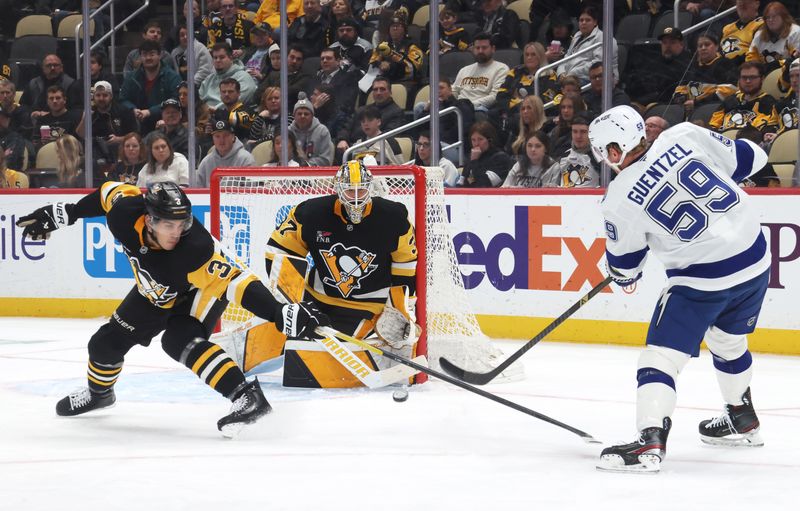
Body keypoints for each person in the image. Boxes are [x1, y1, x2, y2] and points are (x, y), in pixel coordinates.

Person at [14, 181, 329, 436]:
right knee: (103, 345)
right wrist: (65, 213)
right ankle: (100, 395)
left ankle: (247, 397)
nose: (176, 232)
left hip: (197, 292)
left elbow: (237, 283)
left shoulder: (196, 250)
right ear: (149, 219)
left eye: (182, 223)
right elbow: (107, 192)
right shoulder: (125, 213)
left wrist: (278, 312)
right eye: (167, 224)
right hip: (155, 293)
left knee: (178, 340)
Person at [589, 105, 770, 473]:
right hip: (756, 260)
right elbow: (755, 158)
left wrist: (621, 272)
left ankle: (649, 443)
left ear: (611, 151)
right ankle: (741, 416)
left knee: (660, 357)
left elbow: (625, 270)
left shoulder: (618, 197)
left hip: (704, 279)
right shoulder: (684, 133)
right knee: (728, 340)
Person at [265, 160, 417, 373]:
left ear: (370, 188)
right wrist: (289, 301)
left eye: (361, 190)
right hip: (315, 299)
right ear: (337, 189)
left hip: (368, 305)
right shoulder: (311, 213)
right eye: (349, 191)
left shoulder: (393, 218)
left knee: (326, 361)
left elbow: (406, 265)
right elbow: (279, 251)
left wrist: (401, 308)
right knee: (275, 337)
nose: (355, 198)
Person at [119, 39, 183, 134]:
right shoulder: (131, 77)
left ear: (160, 55)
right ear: (140, 56)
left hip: (164, 123)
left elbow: (176, 99)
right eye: (144, 54)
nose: (148, 58)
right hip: (137, 123)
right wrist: (133, 109)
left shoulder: (172, 77)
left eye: (152, 54)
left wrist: (150, 112)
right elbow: (123, 99)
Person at [709, 62, 780, 133]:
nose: (748, 81)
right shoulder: (730, 100)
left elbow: (760, 131)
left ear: (762, 79)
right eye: (744, 77)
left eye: (752, 77)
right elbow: (713, 125)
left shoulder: (768, 103)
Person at [555, 5, 618, 83]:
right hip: (569, 78)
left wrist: (571, 74)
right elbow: (567, 57)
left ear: (595, 22)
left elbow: (597, 65)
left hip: (592, 79)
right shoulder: (577, 35)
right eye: (581, 20)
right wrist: (561, 73)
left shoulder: (604, 38)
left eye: (588, 20)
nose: (583, 23)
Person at [452, 32, 509, 113]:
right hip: (458, 109)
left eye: (484, 48)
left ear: (493, 49)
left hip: (481, 110)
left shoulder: (501, 69)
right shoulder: (464, 70)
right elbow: (454, 91)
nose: (480, 51)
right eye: (477, 48)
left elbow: (495, 97)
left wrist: (468, 105)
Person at [542, 116, 600, 188]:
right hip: (565, 198)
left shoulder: (599, 157)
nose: (578, 136)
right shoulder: (563, 156)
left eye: (583, 132)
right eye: (575, 131)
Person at [197, 117, 256, 187]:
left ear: (233, 137)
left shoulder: (246, 160)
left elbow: (252, 190)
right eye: (217, 136)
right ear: (213, 138)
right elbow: (197, 190)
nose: (221, 140)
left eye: (225, 135)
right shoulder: (206, 162)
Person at [200, 42, 258, 110]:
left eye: (222, 57)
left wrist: (212, 111)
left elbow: (235, 103)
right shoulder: (209, 79)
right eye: (215, 58)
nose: (218, 60)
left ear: (231, 58)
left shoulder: (244, 78)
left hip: (227, 116)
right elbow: (198, 100)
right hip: (203, 115)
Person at [746, 1, 800, 72]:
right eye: (768, 17)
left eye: (774, 16)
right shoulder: (759, 35)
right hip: (764, 75)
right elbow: (751, 59)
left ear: (784, 17)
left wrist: (777, 64)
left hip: (789, 73)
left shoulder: (795, 32)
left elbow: (796, 59)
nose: (771, 20)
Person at [457, 120, 513, 187]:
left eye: (480, 139)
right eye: (473, 140)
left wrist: (474, 162)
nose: (476, 144)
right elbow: (461, 184)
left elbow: (484, 184)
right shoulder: (472, 157)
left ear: (490, 140)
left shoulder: (500, 159)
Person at [289, 92, 335, 166]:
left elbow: (325, 159)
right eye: (299, 114)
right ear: (294, 115)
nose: (302, 116)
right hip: (291, 173)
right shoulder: (288, 132)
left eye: (306, 114)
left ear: (312, 116)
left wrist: (306, 164)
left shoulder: (322, 131)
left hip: (316, 174)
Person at [720, 0, 764, 65]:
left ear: (757, 3)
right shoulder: (726, 28)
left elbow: (756, 54)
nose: (742, 3)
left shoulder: (761, 24)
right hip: (724, 68)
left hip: (748, 67)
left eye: (746, 2)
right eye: (740, 2)